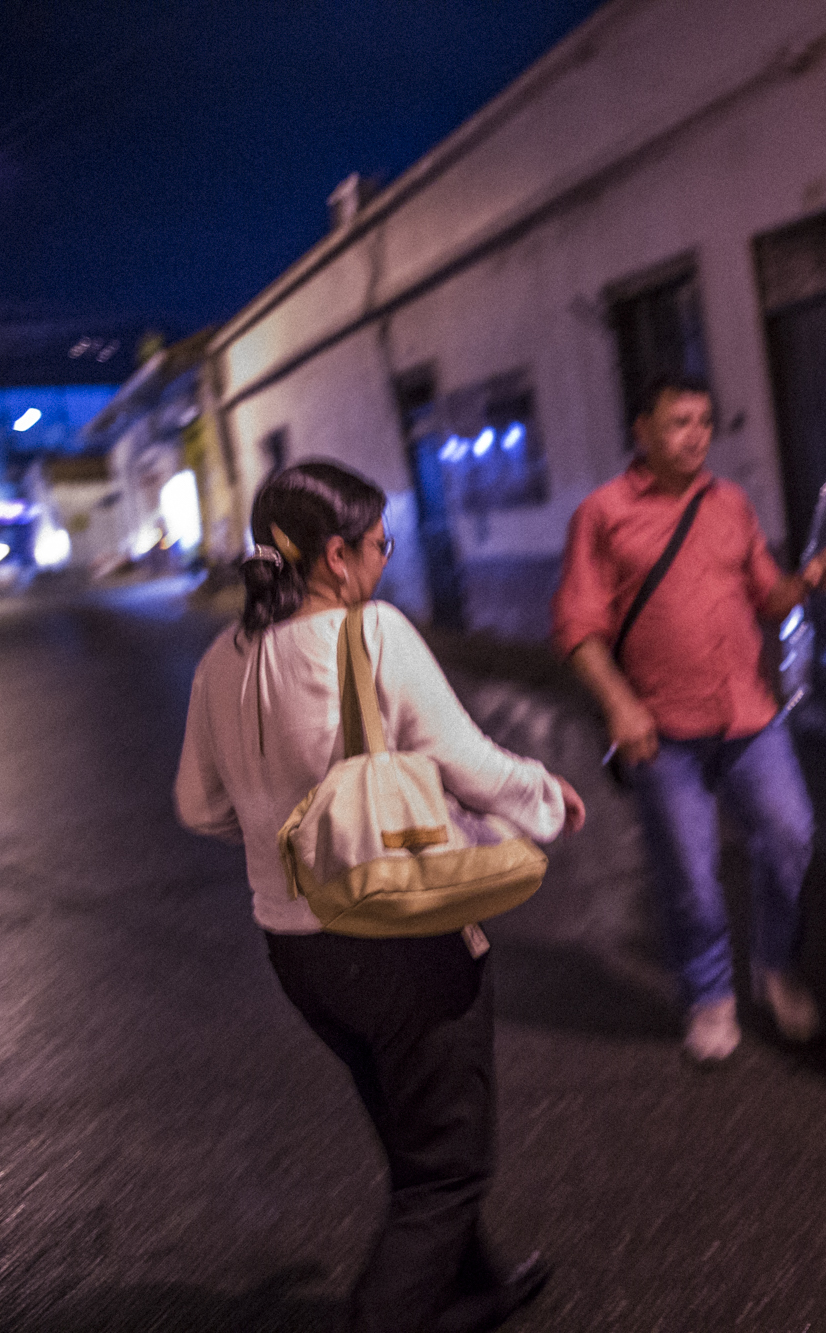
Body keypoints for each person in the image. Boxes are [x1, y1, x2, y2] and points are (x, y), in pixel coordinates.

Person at [175, 460, 585, 1333]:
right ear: (335, 555)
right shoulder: (371, 634)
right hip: (398, 939)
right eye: (378, 544)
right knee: (449, 1167)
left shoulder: (224, 658)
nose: (385, 559)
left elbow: (198, 806)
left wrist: (278, 825)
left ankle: (475, 1287)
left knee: (415, 1133)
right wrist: (546, 797)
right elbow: (465, 759)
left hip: (296, 950)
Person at [552, 373, 826, 1064]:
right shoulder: (602, 514)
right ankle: (710, 994)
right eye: (678, 422)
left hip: (750, 715)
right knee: (690, 877)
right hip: (661, 731)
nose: (694, 436)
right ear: (642, 430)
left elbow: (770, 597)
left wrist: (811, 574)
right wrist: (619, 703)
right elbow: (577, 626)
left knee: (791, 837)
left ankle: (775, 965)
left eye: (704, 422)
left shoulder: (731, 504)